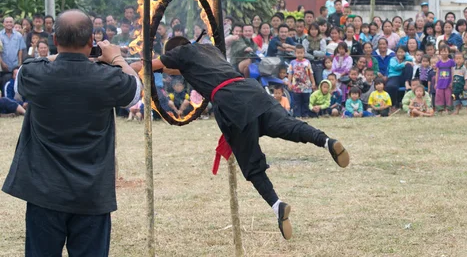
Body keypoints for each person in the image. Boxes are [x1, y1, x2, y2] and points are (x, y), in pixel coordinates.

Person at [134, 36, 350, 240]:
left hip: (230, 103)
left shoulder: (180, 52)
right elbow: (176, 67)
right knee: (289, 126)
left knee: (251, 163)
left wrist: (117, 64)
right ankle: (325, 141)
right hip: (250, 89)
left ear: (173, 51)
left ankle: (277, 205)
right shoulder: (210, 49)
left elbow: (148, 67)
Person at [2, 10, 141, 256]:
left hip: (44, 191)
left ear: (54, 40)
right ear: (92, 41)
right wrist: (117, 58)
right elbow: (135, 92)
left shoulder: (36, 74)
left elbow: (23, 73)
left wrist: (67, 56)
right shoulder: (107, 77)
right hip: (91, 192)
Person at [288, 44, 316, 118]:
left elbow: (310, 73)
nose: (299, 54)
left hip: (306, 86)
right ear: (295, 53)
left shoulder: (307, 62)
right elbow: (290, 73)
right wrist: (289, 83)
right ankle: (297, 115)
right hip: (296, 86)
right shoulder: (292, 63)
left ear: (304, 53)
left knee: (305, 101)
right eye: (298, 53)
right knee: (297, 101)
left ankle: (305, 114)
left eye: (301, 53)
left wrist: (313, 82)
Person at [0, 16, 26, 87]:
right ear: (3, 24)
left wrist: (19, 63)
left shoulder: (18, 36)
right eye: (7, 22)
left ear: (13, 23)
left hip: (15, 66)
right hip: (3, 67)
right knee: (5, 85)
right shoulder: (0, 35)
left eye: (11, 22)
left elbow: (20, 50)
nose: (9, 24)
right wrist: (2, 63)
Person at [435, 45, 455, 113]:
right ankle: (440, 108)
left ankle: (448, 108)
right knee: (439, 95)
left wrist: (452, 82)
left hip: (448, 82)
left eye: (445, 51)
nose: (444, 53)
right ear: (440, 52)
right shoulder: (438, 63)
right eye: (442, 51)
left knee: (448, 95)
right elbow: (437, 73)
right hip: (440, 82)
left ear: (448, 52)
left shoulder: (451, 62)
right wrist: (436, 82)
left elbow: (452, 72)